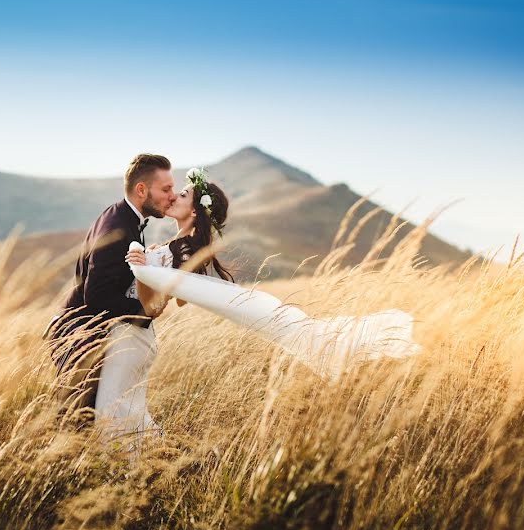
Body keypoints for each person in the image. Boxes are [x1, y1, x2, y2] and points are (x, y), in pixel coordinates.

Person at [126, 167, 421, 385]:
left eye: (184, 194)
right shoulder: (182, 245)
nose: (175, 197)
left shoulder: (185, 246)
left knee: (303, 331)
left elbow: (171, 300)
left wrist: (147, 271)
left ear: (196, 211)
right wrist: (157, 266)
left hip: (138, 319)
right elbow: (182, 296)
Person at [45, 154, 175, 442]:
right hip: (79, 335)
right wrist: (145, 310)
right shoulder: (118, 227)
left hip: (89, 333)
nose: (172, 196)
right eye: (165, 189)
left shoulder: (124, 218)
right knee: (74, 423)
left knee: (86, 424)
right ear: (142, 190)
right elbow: (96, 295)